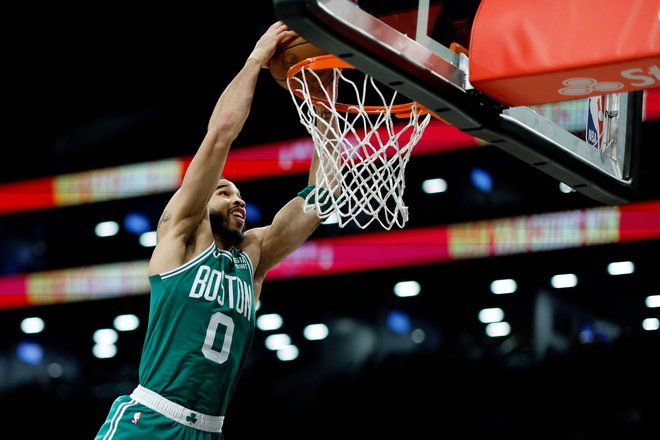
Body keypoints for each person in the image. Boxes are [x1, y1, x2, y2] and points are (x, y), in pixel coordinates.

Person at [94, 21, 334, 439]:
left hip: (210, 430)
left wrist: (325, 115)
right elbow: (221, 134)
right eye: (223, 191)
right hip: (148, 421)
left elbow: (316, 202)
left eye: (239, 195)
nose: (237, 199)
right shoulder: (180, 237)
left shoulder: (253, 256)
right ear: (200, 202)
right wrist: (257, 59)